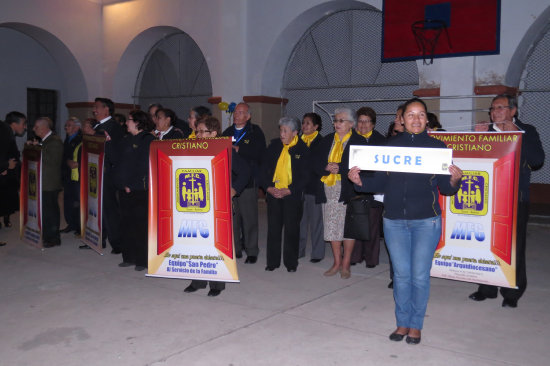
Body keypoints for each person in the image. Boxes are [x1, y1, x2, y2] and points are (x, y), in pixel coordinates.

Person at [348, 97, 463, 345]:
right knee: (401, 275)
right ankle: (402, 322)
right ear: (402, 119)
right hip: (395, 222)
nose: (416, 119)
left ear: (426, 119)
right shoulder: (390, 148)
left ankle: (416, 324)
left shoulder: (439, 148)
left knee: (419, 276)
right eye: (410, 114)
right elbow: (378, 184)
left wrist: (455, 180)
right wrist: (359, 182)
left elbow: (446, 189)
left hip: (426, 222)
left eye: (421, 114)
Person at [468, 94, 545, 308]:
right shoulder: (487, 132)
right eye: (493, 108)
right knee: (485, 245)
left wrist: (517, 137)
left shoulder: (527, 130)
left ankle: (512, 293)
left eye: (501, 108)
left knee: (513, 247)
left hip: (515, 200)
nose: (495, 112)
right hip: (487, 199)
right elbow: (473, 162)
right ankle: (487, 288)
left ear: (513, 111)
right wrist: (477, 139)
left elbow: (537, 160)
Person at [183, 116, 251, 296]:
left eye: (201, 131)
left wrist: (234, 190)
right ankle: (197, 280)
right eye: (196, 131)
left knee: (216, 244)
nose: (197, 135)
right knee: (196, 242)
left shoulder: (225, 149)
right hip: (196, 202)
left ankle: (216, 284)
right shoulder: (193, 149)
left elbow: (245, 171)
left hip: (218, 203)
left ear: (213, 133)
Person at [313, 107, 366, 279]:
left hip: (348, 190)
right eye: (335, 120)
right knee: (332, 227)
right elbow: (314, 163)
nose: (337, 124)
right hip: (329, 189)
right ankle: (336, 262)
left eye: (341, 120)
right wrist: (325, 167)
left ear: (351, 123)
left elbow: (363, 167)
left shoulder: (359, 142)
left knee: (347, 229)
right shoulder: (327, 140)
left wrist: (341, 168)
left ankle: (346, 264)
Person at [261, 117, 309, 272]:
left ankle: (291, 263)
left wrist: (290, 190)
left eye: (285, 131)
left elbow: (305, 176)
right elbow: (264, 169)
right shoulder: (274, 146)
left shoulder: (303, 149)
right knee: (273, 229)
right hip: (274, 193)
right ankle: (272, 262)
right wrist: (268, 187)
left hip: (292, 195)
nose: (282, 134)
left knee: (291, 229)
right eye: (281, 130)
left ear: (295, 132)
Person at [222, 102, 266, 264]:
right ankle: (236, 248)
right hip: (229, 181)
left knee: (249, 218)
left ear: (248, 116)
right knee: (233, 218)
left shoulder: (255, 132)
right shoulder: (227, 132)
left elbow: (261, 153)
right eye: (235, 112)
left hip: (248, 181)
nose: (236, 115)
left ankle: (252, 250)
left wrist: (240, 150)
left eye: (241, 112)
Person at [115, 110, 155, 271]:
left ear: (138, 122)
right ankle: (128, 256)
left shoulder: (148, 139)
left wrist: (130, 184)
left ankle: (142, 260)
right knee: (126, 223)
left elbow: (143, 165)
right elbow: (118, 161)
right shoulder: (126, 139)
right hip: (124, 188)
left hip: (140, 189)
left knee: (140, 225)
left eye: (129, 120)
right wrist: (121, 183)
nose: (126, 123)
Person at [351, 107, 385, 268]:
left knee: (372, 225)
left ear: (373, 124)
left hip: (374, 188)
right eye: (360, 121)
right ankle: (355, 256)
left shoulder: (380, 141)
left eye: (367, 121)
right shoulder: (351, 139)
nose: (363, 125)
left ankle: (371, 259)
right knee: (356, 223)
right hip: (354, 187)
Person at [93, 97, 125, 253]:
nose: (94, 110)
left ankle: (117, 242)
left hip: (108, 173)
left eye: (97, 107)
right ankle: (98, 237)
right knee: (97, 206)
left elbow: (116, 152)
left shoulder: (113, 127)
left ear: (107, 109)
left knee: (109, 208)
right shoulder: (97, 126)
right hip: (95, 171)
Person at [32, 117, 64, 248]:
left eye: (36, 127)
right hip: (43, 182)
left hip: (50, 183)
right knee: (45, 211)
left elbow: (52, 161)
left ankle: (53, 238)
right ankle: (47, 235)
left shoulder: (55, 141)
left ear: (45, 128)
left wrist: (37, 149)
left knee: (50, 211)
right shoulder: (46, 141)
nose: (34, 129)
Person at [298, 112, 325, 263]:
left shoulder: (321, 142)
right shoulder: (298, 141)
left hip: (314, 188)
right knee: (300, 222)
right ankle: (299, 250)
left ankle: (317, 253)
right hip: (299, 188)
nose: (304, 126)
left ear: (316, 126)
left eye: (308, 123)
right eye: (303, 123)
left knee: (316, 223)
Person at [0, 111, 27, 244]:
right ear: (14, 124)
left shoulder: (6, 130)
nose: (25, 127)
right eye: (23, 123)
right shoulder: (4, 132)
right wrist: (4, 166)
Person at [60, 117, 83, 235]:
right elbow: (64, 156)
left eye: (69, 125)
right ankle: (71, 224)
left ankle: (80, 226)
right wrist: (67, 162)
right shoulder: (68, 138)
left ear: (77, 127)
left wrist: (70, 162)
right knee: (68, 200)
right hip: (67, 174)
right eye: (66, 125)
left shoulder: (81, 139)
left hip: (77, 175)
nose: (66, 127)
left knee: (77, 201)